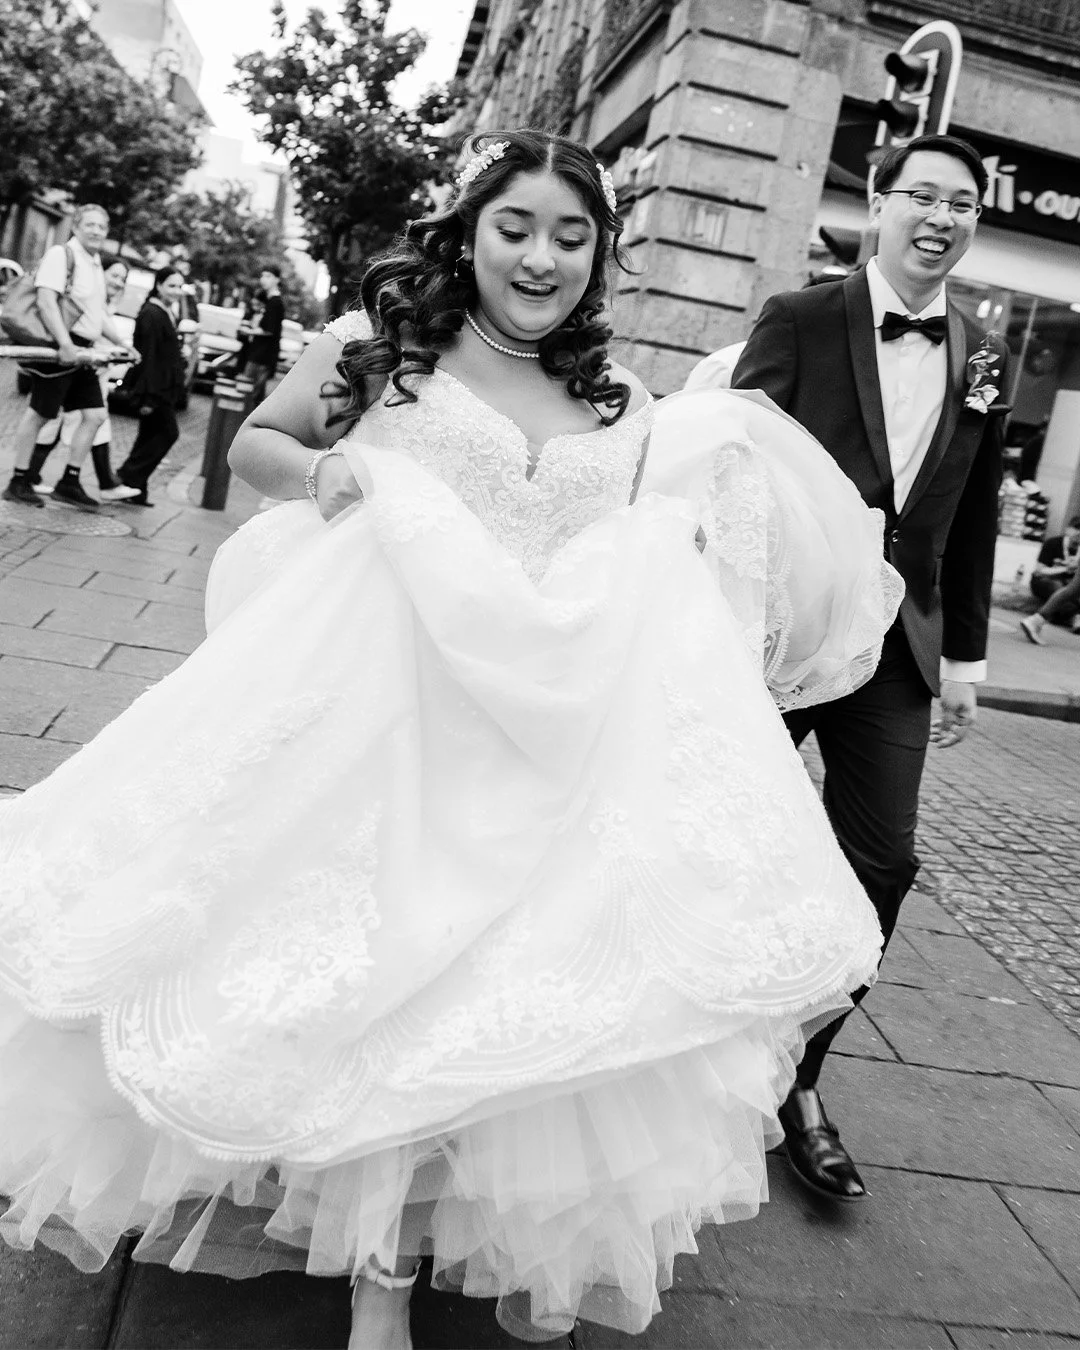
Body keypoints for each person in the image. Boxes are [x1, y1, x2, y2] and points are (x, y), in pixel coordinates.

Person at [0, 131, 900, 1349]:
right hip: (384, 711)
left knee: (491, 995)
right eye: (515, 228)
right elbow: (262, 443)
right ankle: (372, 1276)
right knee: (359, 964)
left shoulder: (622, 400)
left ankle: (403, 1256)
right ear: (467, 232)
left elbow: (616, 545)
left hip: (545, 733)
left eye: (571, 237)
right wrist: (332, 480)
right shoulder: (377, 350)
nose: (541, 258)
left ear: (599, 253)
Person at [731, 132, 1008, 1202]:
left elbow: (973, 514)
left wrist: (966, 656)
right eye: (922, 196)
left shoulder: (984, 353)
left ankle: (797, 1079)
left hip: (898, 650)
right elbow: (735, 468)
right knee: (710, 833)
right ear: (880, 204)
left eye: (962, 204)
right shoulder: (799, 319)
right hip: (782, 634)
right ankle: (668, 1055)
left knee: (882, 864)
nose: (941, 218)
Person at [1, 204, 138, 511]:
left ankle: (69, 482)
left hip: (83, 351)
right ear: (75, 226)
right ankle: (18, 481)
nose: (96, 231)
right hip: (64, 345)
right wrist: (64, 344)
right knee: (40, 414)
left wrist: (121, 343)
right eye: (90, 224)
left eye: (101, 226)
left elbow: (96, 314)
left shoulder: (95, 263)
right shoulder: (62, 255)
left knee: (95, 415)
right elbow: (46, 301)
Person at [27, 255, 141, 503]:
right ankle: (27, 477)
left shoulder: (102, 303)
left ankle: (58, 479)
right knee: (46, 417)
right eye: (114, 275)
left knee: (89, 419)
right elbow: (53, 306)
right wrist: (70, 346)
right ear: (101, 274)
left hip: (90, 368)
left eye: (123, 278)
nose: (119, 282)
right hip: (78, 363)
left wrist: (122, 346)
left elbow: (99, 327)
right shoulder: (87, 291)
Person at [113, 265, 188, 506]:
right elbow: (149, 356)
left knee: (148, 436)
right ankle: (127, 475)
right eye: (171, 285)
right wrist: (148, 396)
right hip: (155, 389)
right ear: (159, 285)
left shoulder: (165, 311)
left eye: (179, 286)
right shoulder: (151, 313)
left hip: (164, 386)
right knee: (168, 433)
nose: (176, 291)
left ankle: (135, 489)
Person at [1021, 517, 1080, 641]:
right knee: (1067, 588)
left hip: (1065, 582)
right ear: (1067, 529)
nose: (1078, 533)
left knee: (1072, 589)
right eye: (1076, 528)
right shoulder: (1053, 543)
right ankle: (1071, 617)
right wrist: (1066, 568)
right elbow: (1040, 571)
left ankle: (1038, 620)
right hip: (1045, 580)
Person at [238, 264, 285, 401]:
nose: (264, 279)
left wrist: (249, 331)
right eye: (262, 276)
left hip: (262, 355)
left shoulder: (275, 302)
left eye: (268, 276)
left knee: (247, 392)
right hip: (258, 353)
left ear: (277, 279)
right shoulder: (269, 300)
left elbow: (269, 331)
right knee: (251, 393)